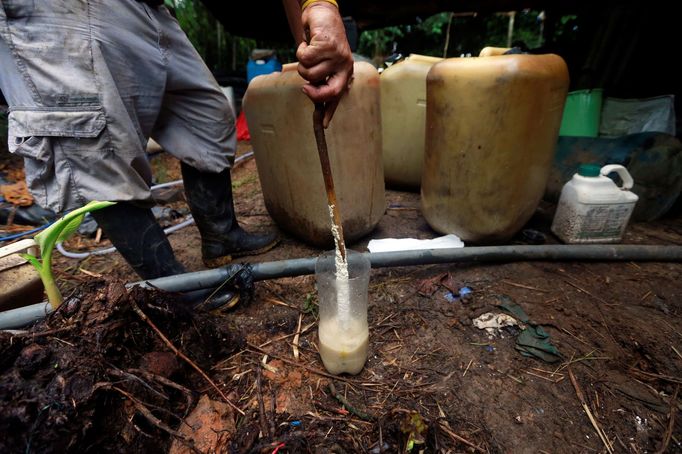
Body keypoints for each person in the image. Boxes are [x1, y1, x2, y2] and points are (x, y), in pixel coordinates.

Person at [0, 0, 353, 280]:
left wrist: (319, 5)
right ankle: (173, 290)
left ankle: (220, 236)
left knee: (207, 114)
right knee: (94, 148)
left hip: (148, 9)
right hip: (57, 11)